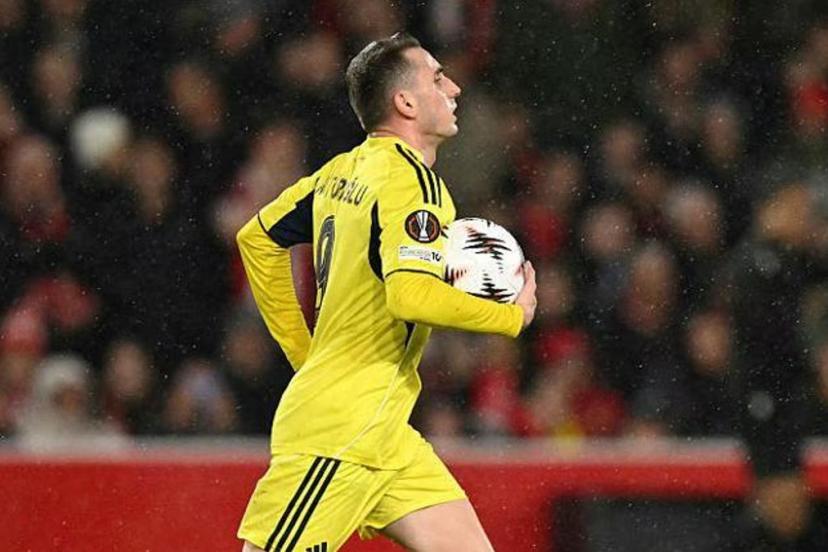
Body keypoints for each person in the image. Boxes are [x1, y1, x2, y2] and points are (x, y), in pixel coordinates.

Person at [235, 33, 537, 552]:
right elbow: (410, 296)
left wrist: (307, 354)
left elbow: (257, 239)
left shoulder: (341, 172)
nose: (455, 88)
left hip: (386, 434)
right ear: (405, 102)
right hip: (340, 435)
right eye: (438, 79)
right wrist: (511, 317)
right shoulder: (413, 183)